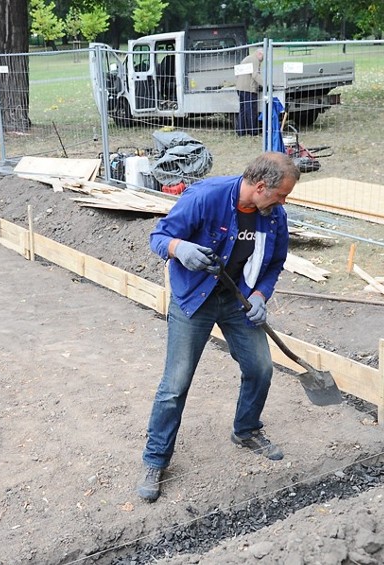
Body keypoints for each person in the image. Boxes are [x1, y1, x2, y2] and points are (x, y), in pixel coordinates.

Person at [137, 152, 301, 503]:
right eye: (281, 194)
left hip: (237, 299)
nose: (284, 202)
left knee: (260, 367)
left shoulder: (274, 216)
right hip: (193, 298)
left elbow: (275, 262)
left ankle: (246, 430)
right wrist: (180, 250)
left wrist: (259, 295)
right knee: (176, 383)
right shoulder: (205, 197)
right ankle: (155, 460)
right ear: (260, 187)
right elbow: (159, 236)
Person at [235, 48, 264, 136]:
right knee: (251, 110)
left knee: (243, 110)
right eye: (262, 57)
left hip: (240, 87)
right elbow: (255, 75)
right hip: (249, 89)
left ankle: (241, 131)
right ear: (259, 54)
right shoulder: (254, 60)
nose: (262, 60)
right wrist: (266, 84)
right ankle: (253, 131)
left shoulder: (248, 58)